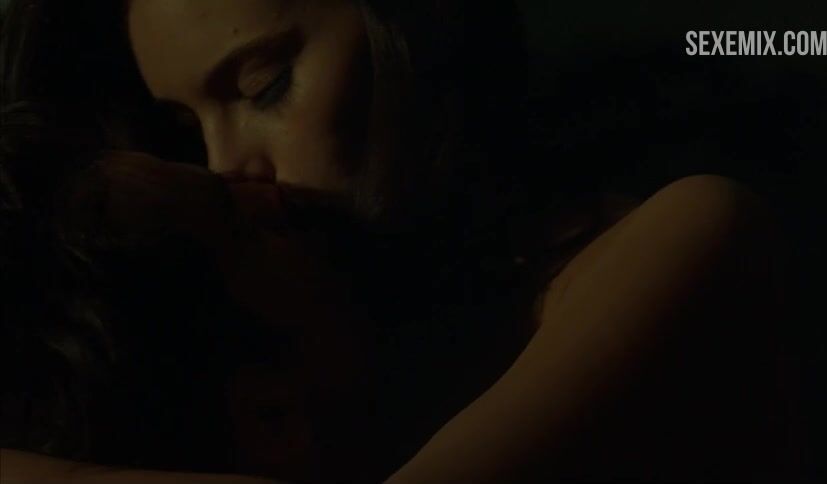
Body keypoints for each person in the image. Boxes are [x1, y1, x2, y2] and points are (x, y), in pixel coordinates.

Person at [1, 0, 794, 482]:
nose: (223, 164)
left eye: (263, 87)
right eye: (184, 129)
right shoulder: (271, 376)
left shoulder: (672, 247)